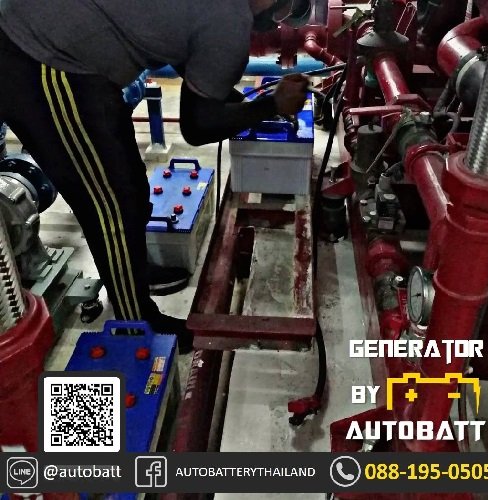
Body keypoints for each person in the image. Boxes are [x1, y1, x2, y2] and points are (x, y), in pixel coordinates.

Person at [0, 0, 310, 354]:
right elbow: (197, 125)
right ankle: (136, 324)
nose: (278, 21)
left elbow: (192, 64)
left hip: (60, 50)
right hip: (44, 59)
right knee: (112, 206)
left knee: (129, 185)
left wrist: (251, 105)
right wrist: (271, 105)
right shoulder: (231, 17)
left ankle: (132, 272)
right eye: (287, 8)